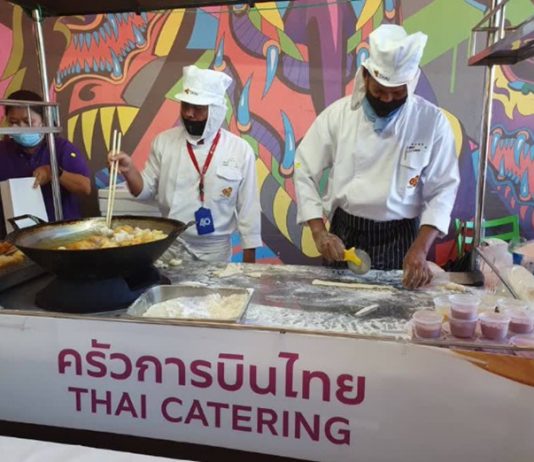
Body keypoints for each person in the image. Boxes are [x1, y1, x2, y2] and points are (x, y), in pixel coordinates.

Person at [294, 25, 460, 289]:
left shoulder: (431, 122)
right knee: (338, 305)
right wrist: (319, 232)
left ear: (410, 84)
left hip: (402, 238)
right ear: (365, 76)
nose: (387, 99)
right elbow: (304, 169)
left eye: (397, 93)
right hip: (346, 235)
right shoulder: (338, 116)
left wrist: (420, 248)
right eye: (380, 91)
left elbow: (443, 189)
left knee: (397, 310)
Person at [110, 65, 262, 263]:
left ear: (215, 111)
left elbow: (249, 208)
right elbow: (144, 191)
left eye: (198, 108)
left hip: (214, 250)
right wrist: (129, 170)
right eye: (185, 106)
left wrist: (249, 266)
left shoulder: (240, 150)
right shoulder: (163, 142)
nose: (189, 114)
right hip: (170, 245)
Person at [0, 90, 91, 221]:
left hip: (60, 226)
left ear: (43, 121)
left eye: (28, 122)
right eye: (14, 122)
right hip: (14, 228)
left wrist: (53, 172)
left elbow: (85, 188)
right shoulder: (3, 150)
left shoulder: (61, 148)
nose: (21, 127)